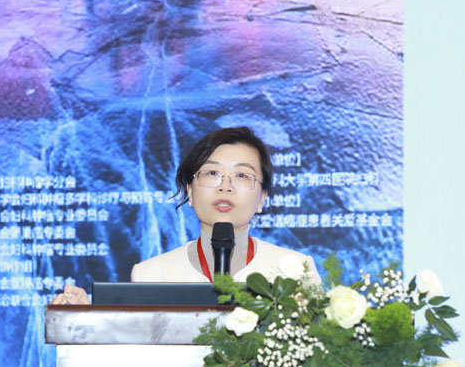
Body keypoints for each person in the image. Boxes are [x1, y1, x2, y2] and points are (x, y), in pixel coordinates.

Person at [50, 126, 320, 305]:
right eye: (212, 173)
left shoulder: (297, 271)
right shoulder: (150, 275)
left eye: (241, 175)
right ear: (190, 192)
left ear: (262, 198)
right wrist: (85, 323)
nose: (225, 186)